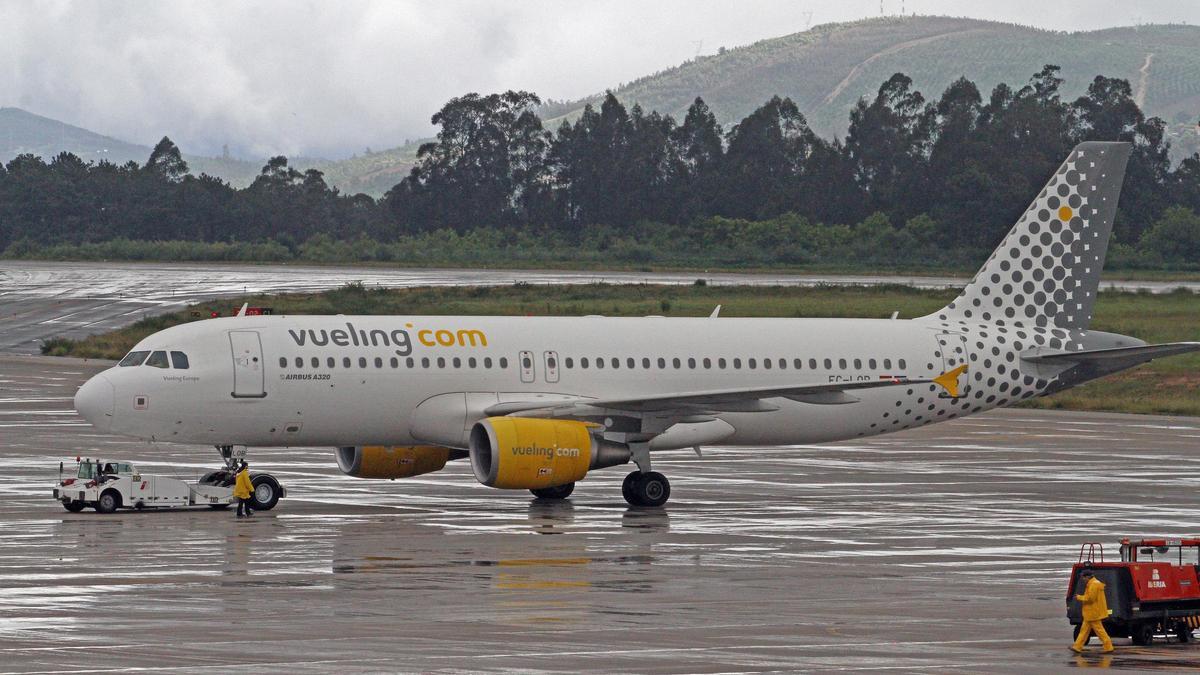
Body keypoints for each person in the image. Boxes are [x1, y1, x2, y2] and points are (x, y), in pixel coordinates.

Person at [1072, 569, 1114, 653]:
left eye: (1083, 577)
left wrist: (1079, 597)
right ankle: (1077, 647)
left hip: (1093, 612)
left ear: (1087, 577)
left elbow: (1090, 598)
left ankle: (1108, 647)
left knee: (1100, 631)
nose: (1083, 579)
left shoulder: (1094, 584)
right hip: (1090, 613)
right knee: (1084, 631)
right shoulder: (1093, 583)